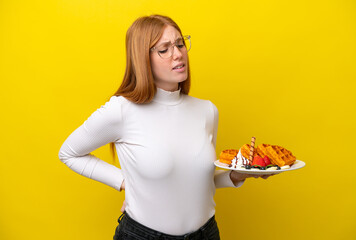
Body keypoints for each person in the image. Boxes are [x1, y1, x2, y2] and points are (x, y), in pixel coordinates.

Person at [58, 14, 272, 240]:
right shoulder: (122, 110)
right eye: (164, 49)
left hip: (206, 234)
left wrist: (236, 175)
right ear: (143, 58)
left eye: (180, 44)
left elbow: (195, 180)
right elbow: (69, 153)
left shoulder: (207, 111)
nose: (178, 54)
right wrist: (125, 183)